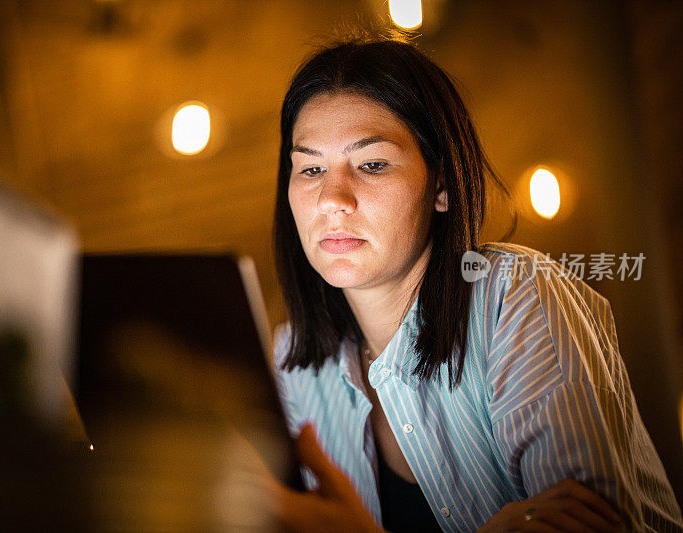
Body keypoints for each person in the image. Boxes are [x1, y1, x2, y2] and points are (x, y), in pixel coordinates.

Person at [267, 36, 683, 532]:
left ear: (441, 185)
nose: (333, 199)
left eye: (372, 164)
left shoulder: (517, 296)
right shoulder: (290, 364)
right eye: (310, 168)